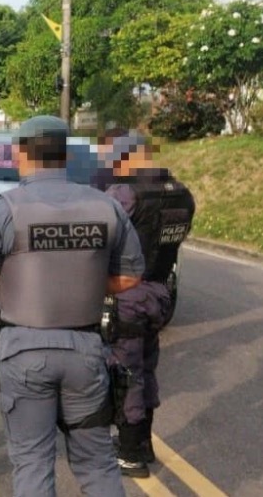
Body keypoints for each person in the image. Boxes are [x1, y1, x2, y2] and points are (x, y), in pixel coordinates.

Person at [0, 115, 145, 497]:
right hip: (86, 353)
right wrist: (84, 281)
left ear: (21, 153)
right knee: (96, 462)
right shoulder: (106, 206)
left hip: (24, 353)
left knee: (34, 462)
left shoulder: (5, 209)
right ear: (67, 154)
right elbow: (130, 277)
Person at [103, 132, 195, 478]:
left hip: (129, 293)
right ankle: (144, 443)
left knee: (127, 374)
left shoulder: (125, 193)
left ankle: (129, 454)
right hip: (160, 292)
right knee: (146, 367)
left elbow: (102, 235)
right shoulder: (182, 193)